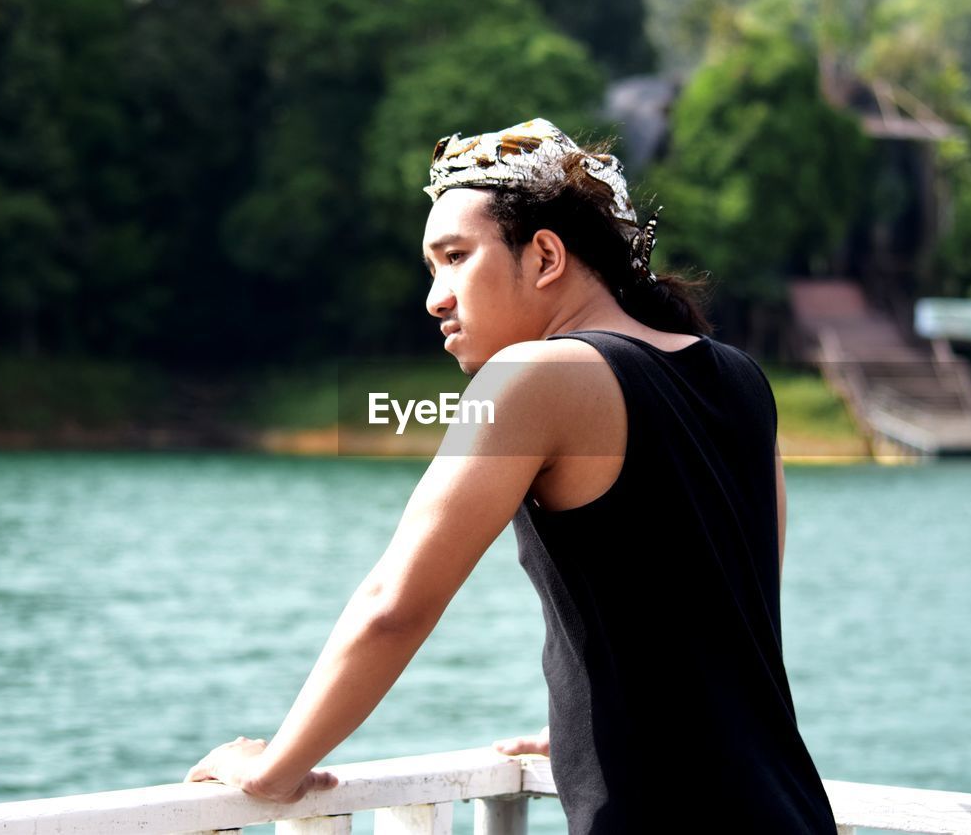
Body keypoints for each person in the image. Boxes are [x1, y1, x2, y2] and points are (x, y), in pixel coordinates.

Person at [185, 118, 837, 833]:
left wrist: (273, 766)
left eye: (456, 257)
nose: (436, 297)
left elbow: (394, 604)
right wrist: (592, 729)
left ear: (546, 256)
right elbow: (729, 623)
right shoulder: (742, 378)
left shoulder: (535, 377)